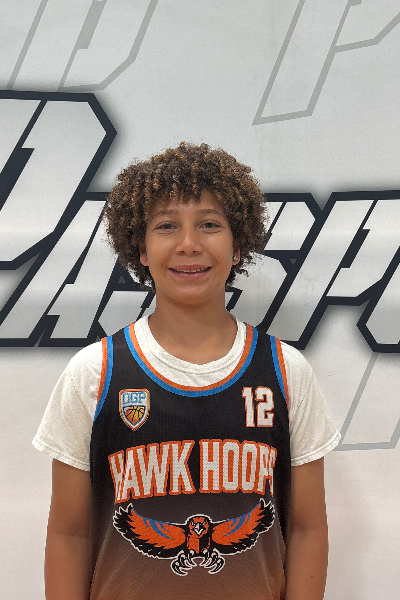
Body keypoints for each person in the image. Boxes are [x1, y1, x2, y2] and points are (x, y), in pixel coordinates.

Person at [33, 142, 340, 600]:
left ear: (238, 245)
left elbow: (306, 528)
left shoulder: (284, 371)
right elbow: (69, 533)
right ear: (140, 248)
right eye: (167, 225)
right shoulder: (94, 372)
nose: (189, 244)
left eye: (210, 224)